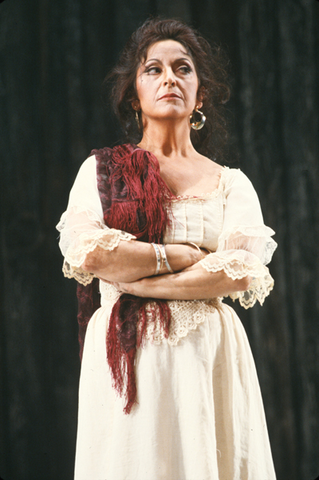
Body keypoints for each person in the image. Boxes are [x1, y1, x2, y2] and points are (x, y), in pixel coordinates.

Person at [57, 17, 277, 480]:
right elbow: (91, 254)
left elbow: (237, 272)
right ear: (134, 96)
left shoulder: (230, 185)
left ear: (200, 95)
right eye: (153, 69)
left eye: (183, 68)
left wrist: (137, 279)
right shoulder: (101, 172)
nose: (170, 78)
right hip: (127, 358)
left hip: (206, 357)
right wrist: (175, 256)